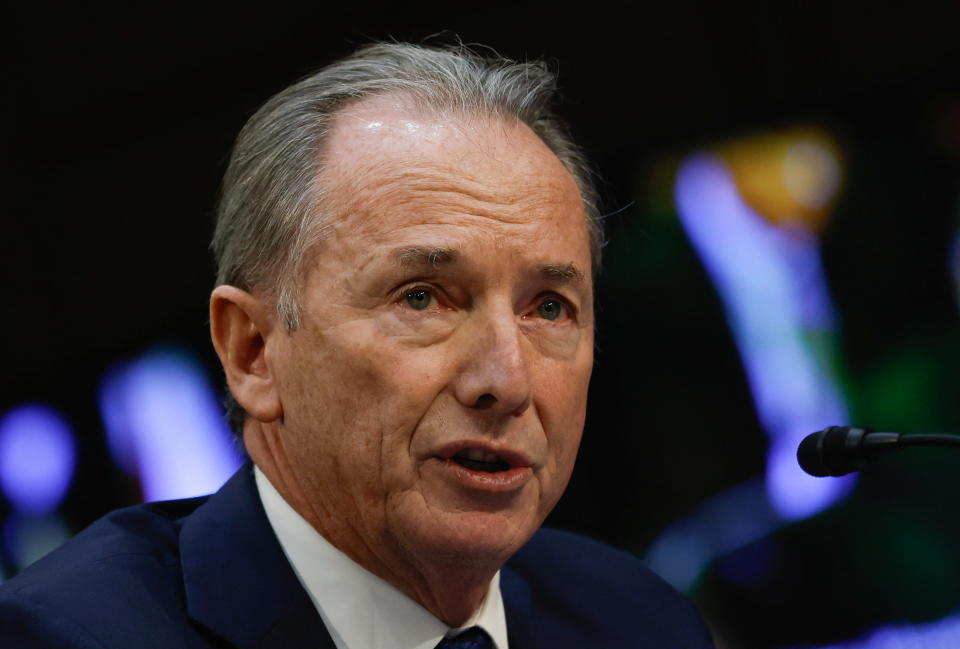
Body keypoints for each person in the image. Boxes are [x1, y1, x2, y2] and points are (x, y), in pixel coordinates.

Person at [0, 43, 714, 648]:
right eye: (423, 297)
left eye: (549, 307)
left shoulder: (636, 619)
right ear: (253, 350)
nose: (508, 378)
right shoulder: (66, 634)